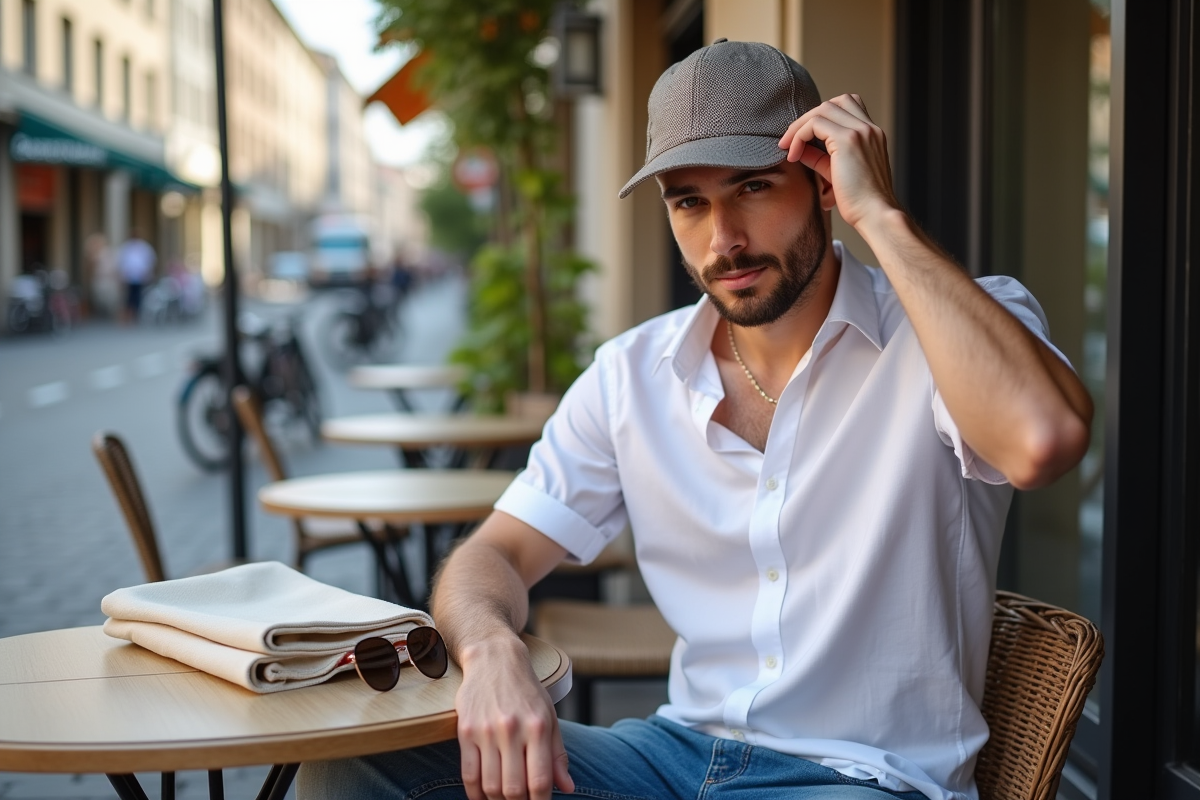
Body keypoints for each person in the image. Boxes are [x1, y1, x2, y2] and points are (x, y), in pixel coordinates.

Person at [298, 40, 1092, 800]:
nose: (724, 240)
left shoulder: (955, 329)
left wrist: (881, 217)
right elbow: (492, 554)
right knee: (360, 768)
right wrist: (491, 648)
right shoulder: (631, 375)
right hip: (670, 759)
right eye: (689, 202)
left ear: (823, 182)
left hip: (858, 776)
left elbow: (1043, 441)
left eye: (753, 188)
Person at [116, 229, 156, 324]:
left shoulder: (144, 247)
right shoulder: (126, 247)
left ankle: (137, 313)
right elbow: (121, 262)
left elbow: (151, 260)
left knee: (139, 295)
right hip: (129, 277)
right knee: (129, 296)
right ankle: (129, 314)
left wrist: (147, 272)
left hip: (141, 276)